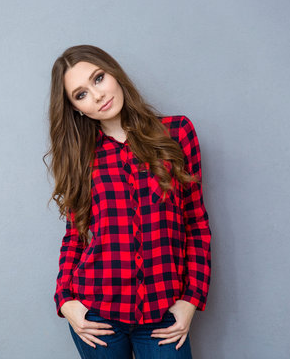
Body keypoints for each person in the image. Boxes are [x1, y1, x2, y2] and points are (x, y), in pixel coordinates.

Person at [43, 45, 212, 359]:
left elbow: (196, 224)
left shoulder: (176, 133)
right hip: (98, 314)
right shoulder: (82, 156)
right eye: (80, 95)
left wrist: (192, 298)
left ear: (114, 73)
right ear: (76, 108)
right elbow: (75, 235)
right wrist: (65, 300)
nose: (96, 95)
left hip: (163, 314)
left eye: (98, 78)